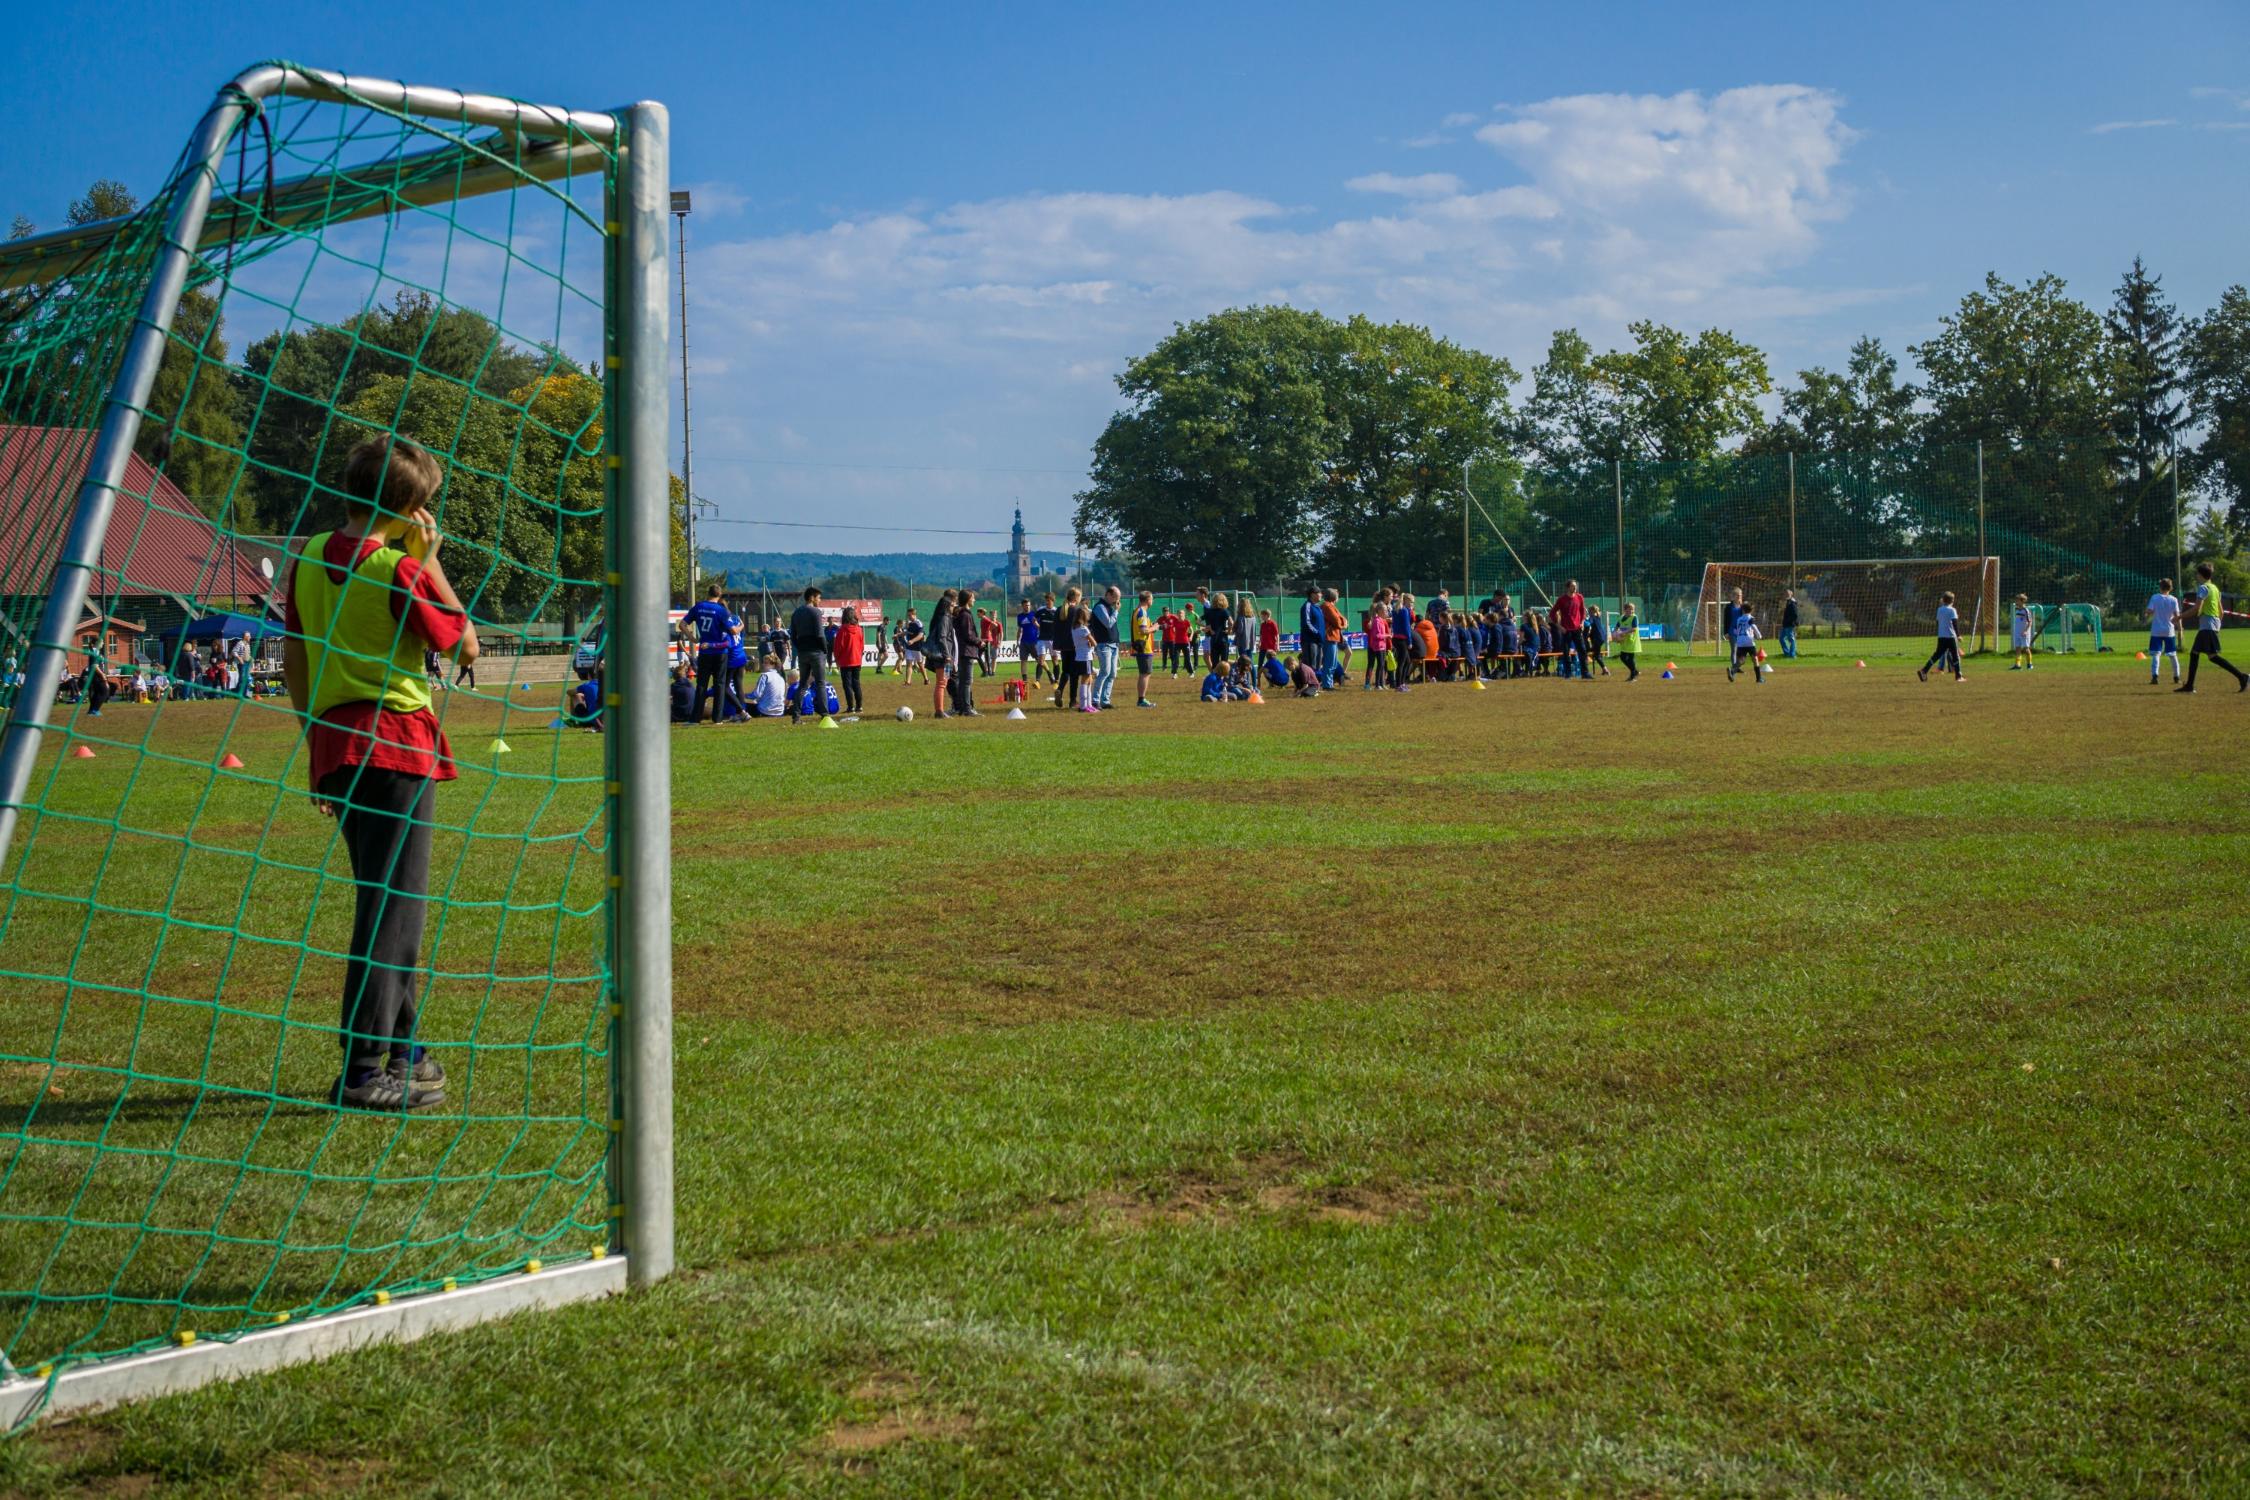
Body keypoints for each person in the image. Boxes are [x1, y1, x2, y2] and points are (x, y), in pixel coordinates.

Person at [282, 435, 478, 1112]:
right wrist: (432, 564)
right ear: (412, 505)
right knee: (394, 908)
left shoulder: (306, 555)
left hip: (337, 746)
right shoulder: (397, 566)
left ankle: (408, 1051)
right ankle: (366, 1067)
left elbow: (296, 659)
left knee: (385, 900)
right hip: (394, 744)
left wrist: (317, 747)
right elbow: (462, 641)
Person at [2179, 560, 2249, 694]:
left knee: (2212, 657)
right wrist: (2217, 626)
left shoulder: (2203, 588)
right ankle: (2189, 685)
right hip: (2211, 625)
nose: (2196, 576)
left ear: (2200, 575)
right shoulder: (2215, 588)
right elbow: (2221, 611)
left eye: (2197, 574)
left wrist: (2179, 617)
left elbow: (2196, 608)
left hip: (2207, 626)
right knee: (2195, 653)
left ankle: (2243, 677)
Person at [682, 582, 737, 724]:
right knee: (719, 684)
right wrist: (740, 626)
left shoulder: (699, 607)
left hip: (704, 651)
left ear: (708, 593)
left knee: (701, 684)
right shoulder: (721, 610)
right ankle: (717, 718)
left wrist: (691, 637)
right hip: (720, 652)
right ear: (719, 595)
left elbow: (682, 624)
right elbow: (732, 631)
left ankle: (695, 718)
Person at [790, 586, 831, 721]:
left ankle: (796, 715)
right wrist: (825, 649)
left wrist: (800, 648)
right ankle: (824, 715)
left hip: (803, 653)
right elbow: (820, 635)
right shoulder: (816, 612)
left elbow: (793, 635)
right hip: (816, 652)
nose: (820, 600)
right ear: (812, 598)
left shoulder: (796, 613)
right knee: (820, 683)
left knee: (803, 684)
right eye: (819, 598)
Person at [1917, 591, 1964, 683]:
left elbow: (1938, 622)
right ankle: (1958, 676)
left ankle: (1924, 671)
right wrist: (1958, 635)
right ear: (1952, 600)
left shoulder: (1939, 610)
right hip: (1950, 636)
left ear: (1944, 600)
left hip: (1941, 636)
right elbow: (1954, 623)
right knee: (1955, 656)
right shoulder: (1952, 610)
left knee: (1937, 655)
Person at [951, 589, 982, 715]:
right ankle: (967, 709)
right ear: (968, 599)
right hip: (966, 651)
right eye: (973, 597)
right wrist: (979, 641)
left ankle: (963, 708)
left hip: (963, 651)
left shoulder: (961, 613)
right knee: (967, 682)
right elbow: (968, 635)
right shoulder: (965, 615)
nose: (974, 600)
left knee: (963, 681)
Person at [1090, 585, 1122, 710]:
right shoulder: (1100, 607)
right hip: (1104, 644)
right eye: (1115, 598)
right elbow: (1108, 623)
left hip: (1113, 644)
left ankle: (1105, 700)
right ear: (1108, 595)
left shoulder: (1110, 607)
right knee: (1104, 672)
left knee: (1112, 673)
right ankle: (1095, 700)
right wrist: (1117, 611)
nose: (1116, 601)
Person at [2145, 581, 2180, 685]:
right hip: (2169, 631)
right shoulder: (2174, 599)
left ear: (2160, 587)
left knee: (2156, 654)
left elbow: (2149, 611)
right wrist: (2180, 628)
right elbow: (2177, 615)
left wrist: (2146, 613)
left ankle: (2155, 676)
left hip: (2156, 630)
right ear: (2171, 588)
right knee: (2173, 654)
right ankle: (2176, 676)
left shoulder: (2155, 597)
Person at [927, 592, 956, 718]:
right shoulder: (945, 618)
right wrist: (947, 655)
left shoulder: (944, 617)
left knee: (945, 680)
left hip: (947, 656)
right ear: (947, 605)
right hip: (943, 657)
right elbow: (942, 637)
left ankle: (942, 709)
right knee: (941, 683)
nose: (954, 605)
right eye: (952, 604)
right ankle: (939, 711)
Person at [1553, 580, 1588, 680]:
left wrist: (1582, 623)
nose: (1575, 588)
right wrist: (1560, 627)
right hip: (1566, 630)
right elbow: (1552, 614)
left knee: (1582, 650)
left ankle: (1585, 673)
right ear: (1568, 587)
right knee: (1566, 652)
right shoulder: (1562, 599)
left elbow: (1582, 612)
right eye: (1573, 586)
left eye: (1575, 586)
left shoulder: (1579, 597)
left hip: (1577, 629)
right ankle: (1567, 674)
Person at [834, 605, 866, 714]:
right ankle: (859, 706)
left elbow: (838, 647)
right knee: (856, 683)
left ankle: (850, 707)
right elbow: (862, 646)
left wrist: (837, 659)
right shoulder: (859, 629)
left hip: (845, 661)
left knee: (847, 684)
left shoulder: (842, 630)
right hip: (857, 660)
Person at [1130, 590, 1157, 709]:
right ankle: (1141, 700)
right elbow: (1143, 630)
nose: (1153, 601)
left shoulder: (1138, 610)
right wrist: (1155, 627)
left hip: (1142, 646)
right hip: (1143, 647)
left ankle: (1142, 699)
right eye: (1152, 599)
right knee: (1145, 673)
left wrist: (1151, 627)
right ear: (1148, 600)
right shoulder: (1142, 612)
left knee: (1145, 673)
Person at [1727, 602, 1765, 684]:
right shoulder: (1751, 618)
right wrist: (1759, 636)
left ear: (1743, 610)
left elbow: (1737, 630)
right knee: (1755, 659)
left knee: (1741, 660)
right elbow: (1754, 626)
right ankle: (1759, 679)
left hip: (1740, 642)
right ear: (1751, 610)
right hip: (1749, 642)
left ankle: (1732, 671)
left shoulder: (1739, 619)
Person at [1203, 591, 1233, 672]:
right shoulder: (1224, 611)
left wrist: (1208, 628)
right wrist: (1229, 631)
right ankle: (1224, 682)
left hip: (1214, 640)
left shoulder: (1209, 611)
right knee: (1224, 663)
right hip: (1223, 639)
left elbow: (1199, 620)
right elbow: (1231, 622)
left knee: (1215, 663)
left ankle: (1215, 681)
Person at [896, 609, 927, 684]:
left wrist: (912, 641)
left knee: (920, 664)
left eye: (910, 615)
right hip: (909, 647)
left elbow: (921, 635)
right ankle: (908, 682)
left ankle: (926, 679)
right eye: (908, 615)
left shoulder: (919, 623)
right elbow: (907, 632)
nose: (909, 617)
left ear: (914, 614)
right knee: (909, 664)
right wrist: (898, 635)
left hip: (917, 647)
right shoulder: (910, 623)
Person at [1613, 601, 1642, 681]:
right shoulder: (1621, 618)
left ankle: (1632, 676)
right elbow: (1616, 627)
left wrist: (1623, 632)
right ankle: (1635, 671)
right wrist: (1615, 635)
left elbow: (1634, 628)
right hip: (1624, 641)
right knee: (1622, 657)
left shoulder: (1634, 617)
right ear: (1625, 610)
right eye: (1630, 609)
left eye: (1633, 610)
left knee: (1630, 658)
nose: (1632, 611)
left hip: (1632, 641)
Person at [2011, 593, 2038, 672]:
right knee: (2017, 648)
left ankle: (2030, 664)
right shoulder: (2017, 610)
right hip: (2017, 632)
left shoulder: (2026, 610)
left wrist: (2026, 631)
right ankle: (2017, 665)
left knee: (2026, 649)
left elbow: (2030, 622)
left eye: (2017, 600)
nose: (2016, 602)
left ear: (2022, 601)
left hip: (2024, 633)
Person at [1016, 598, 1041, 683]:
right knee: (1023, 661)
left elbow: (1040, 627)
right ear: (1022, 606)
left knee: (1039, 660)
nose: (1028, 607)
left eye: (1029, 605)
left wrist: (1037, 626)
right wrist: (1017, 641)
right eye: (1026, 605)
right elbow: (1020, 630)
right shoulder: (1019, 616)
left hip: (1034, 641)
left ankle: (1049, 674)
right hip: (1023, 642)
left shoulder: (1035, 615)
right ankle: (1025, 680)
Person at [1778, 590, 1800, 660]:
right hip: (1785, 624)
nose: (1785, 595)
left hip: (1789, 625)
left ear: (1791, 594)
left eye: (1787, 594)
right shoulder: (1788, 602)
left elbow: (1795, 615)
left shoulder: (1793, 603)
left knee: (1791, 639)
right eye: (1785, 594)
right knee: (1781, 638)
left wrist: (1792, 622)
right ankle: (1787, 653)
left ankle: (1792, 655)